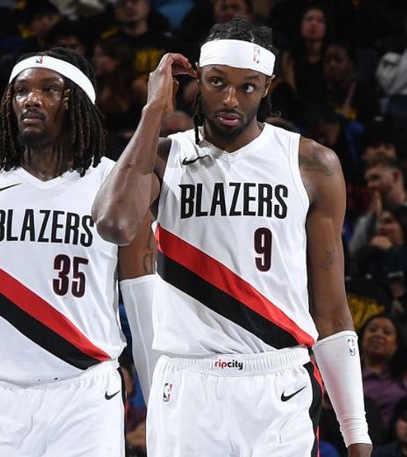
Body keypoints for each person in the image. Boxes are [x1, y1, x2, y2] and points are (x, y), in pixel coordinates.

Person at [92, 16, 372, 456]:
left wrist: (356, 432)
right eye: (217, 82)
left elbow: (332, 311)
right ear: (197, 80)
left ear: (267, 87)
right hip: (188, 383)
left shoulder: (311, 164)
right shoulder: (165, 157)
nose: (229, 99)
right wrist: (153, 111)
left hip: (278, 379)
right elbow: (113, 223)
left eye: (247, 87)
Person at [0, 47, 154, 457]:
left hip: (88, 393)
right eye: (21, 90)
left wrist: (159, 408)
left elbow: (143, 304)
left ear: (77, 102)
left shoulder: (115, 186)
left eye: (49, 89)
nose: (31, 100)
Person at [359, 313, 407, 428]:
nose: (378, 335)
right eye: (373, 330)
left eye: (387, 332)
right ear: (362, 338)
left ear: (395, 345)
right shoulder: (347, 374)